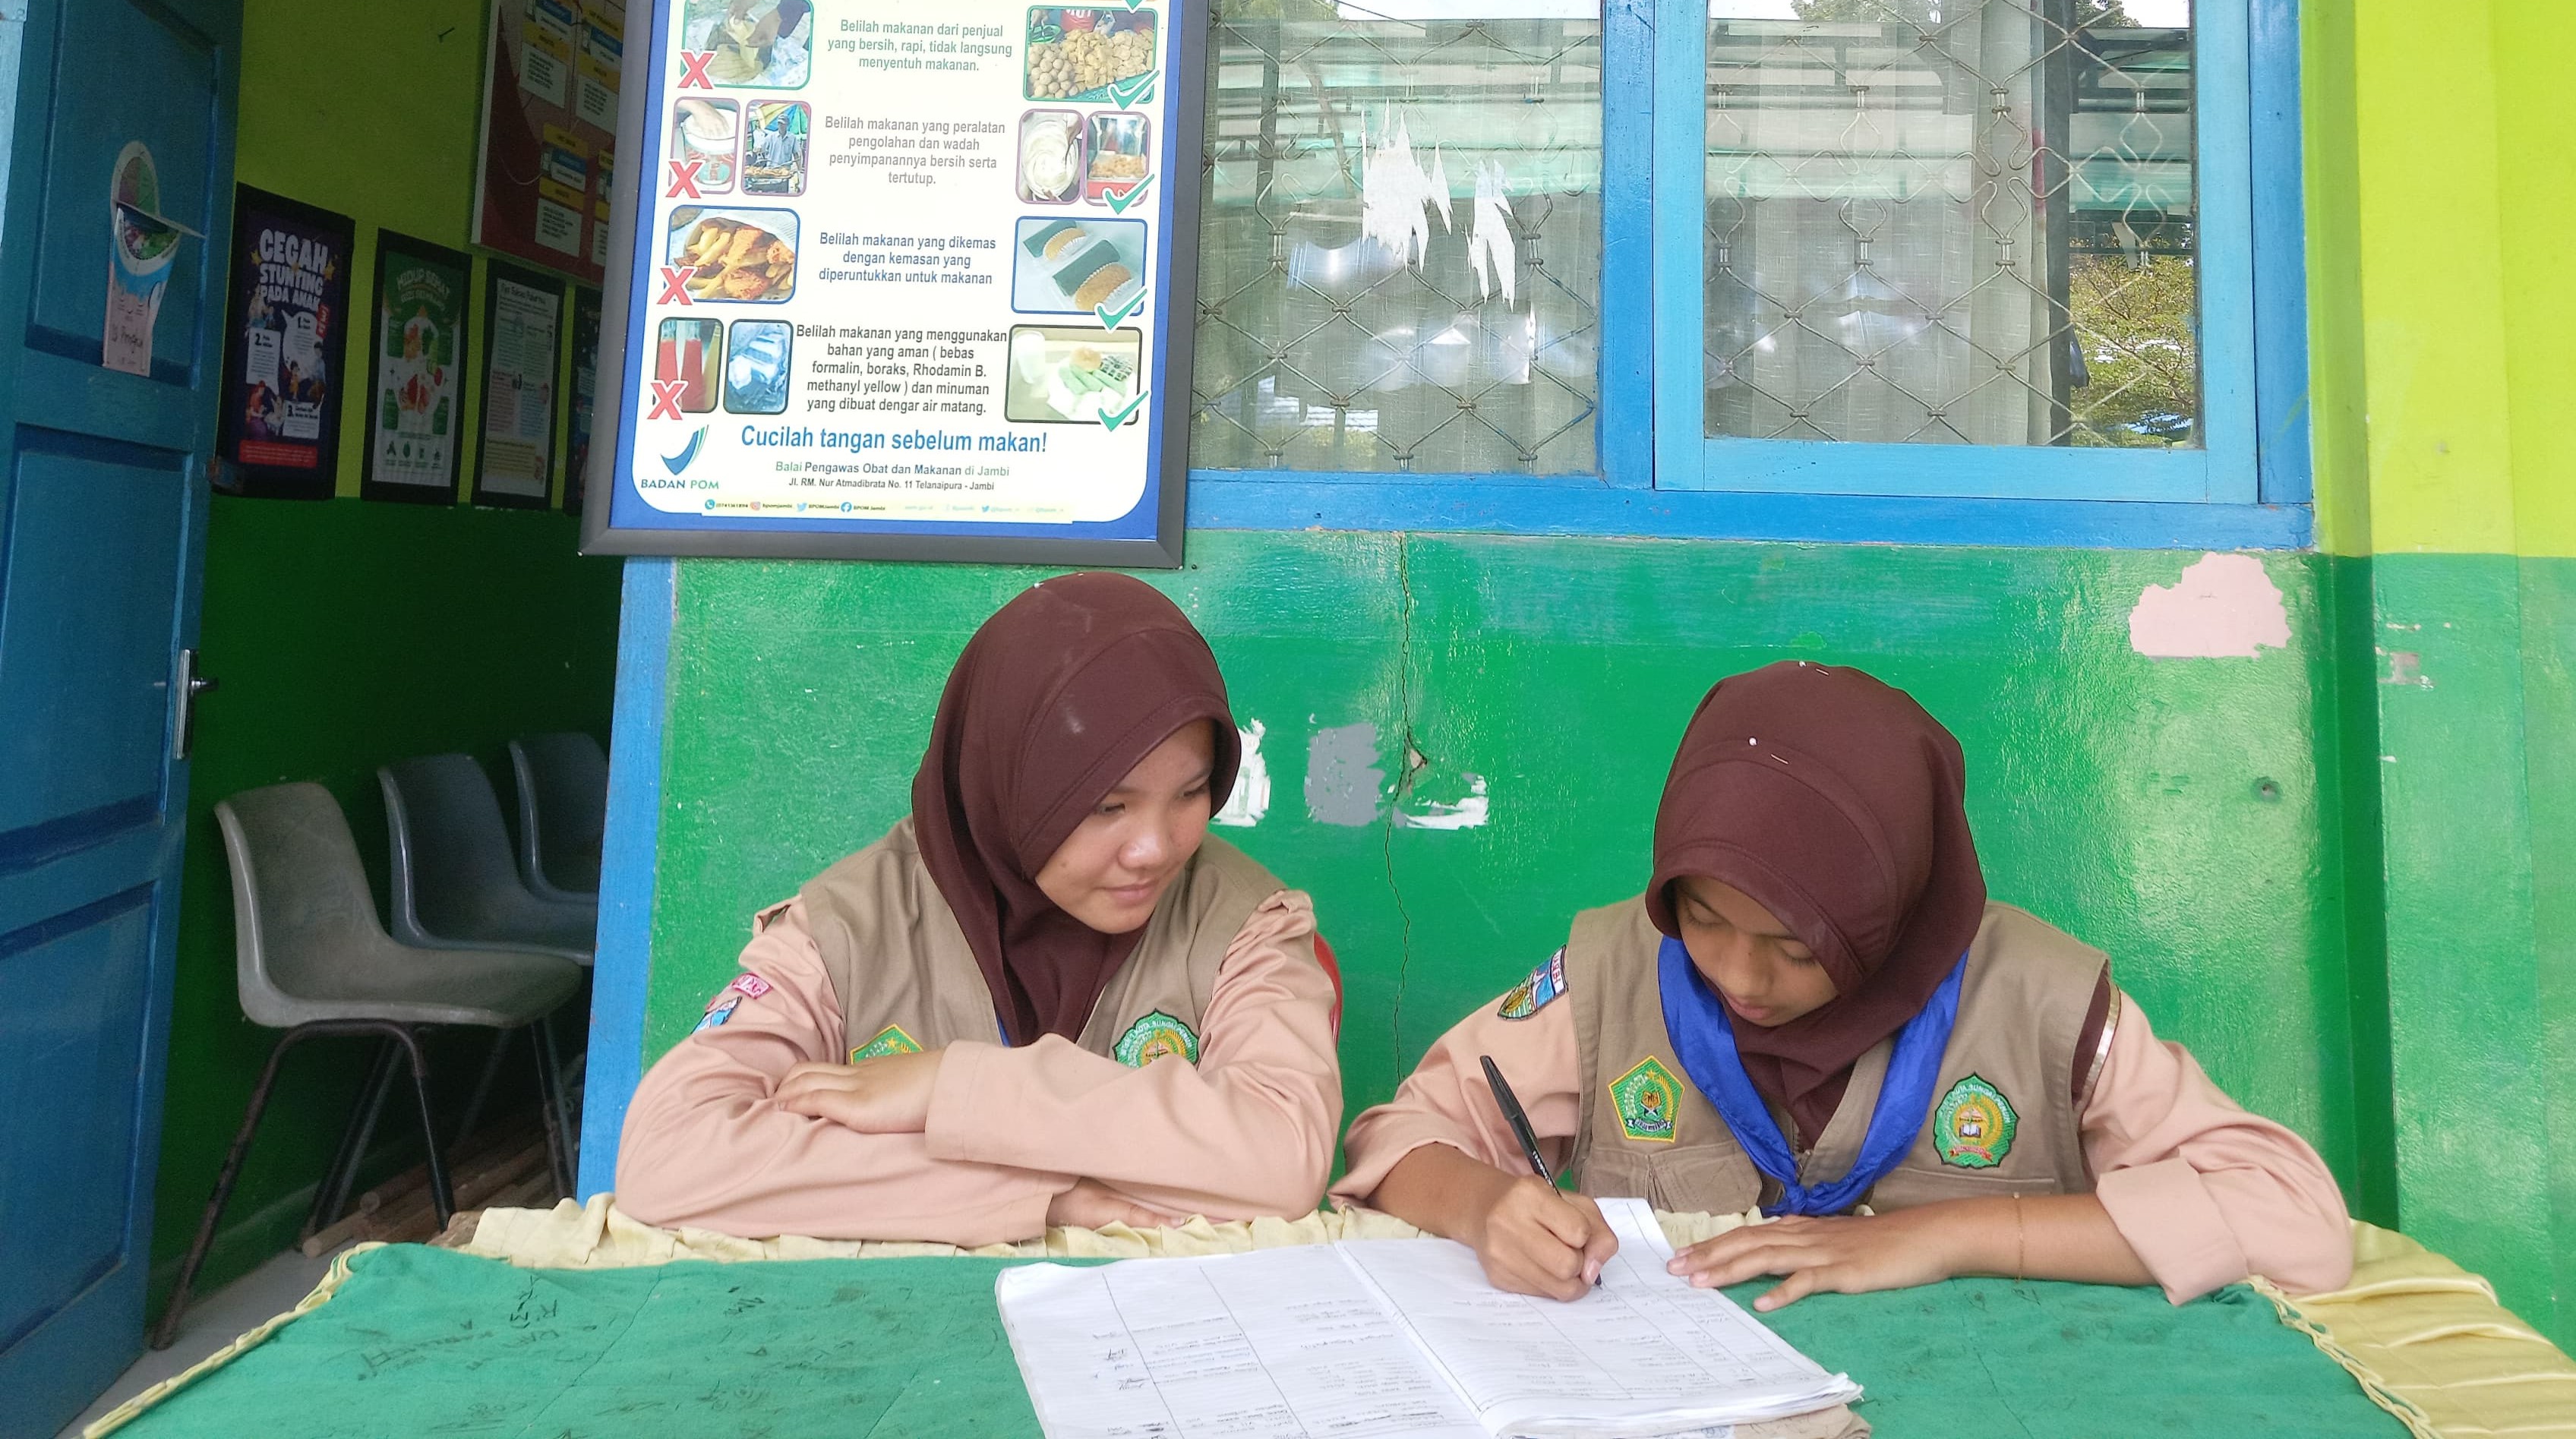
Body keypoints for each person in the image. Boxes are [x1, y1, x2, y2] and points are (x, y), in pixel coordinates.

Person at [1336, 661, 2353, 1308]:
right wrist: (1482, 1207)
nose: (1739, 977)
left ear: (1890, 897)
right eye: (1701, 919)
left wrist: (1948, 1235)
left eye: (1794, 943)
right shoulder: (1615, 971)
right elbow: (1397, 1140)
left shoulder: (2041, 1002)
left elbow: (2290, 1215)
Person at [616, 573, 1340, 1243]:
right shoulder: (846, 930)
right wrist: (1037, 1197)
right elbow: (668, 1158)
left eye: (1190, 793)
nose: (1154, 848)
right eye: (1106, 805)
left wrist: (956, 1089)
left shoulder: (1247, 923)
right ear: (1004, 783)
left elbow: (1282, 1155)